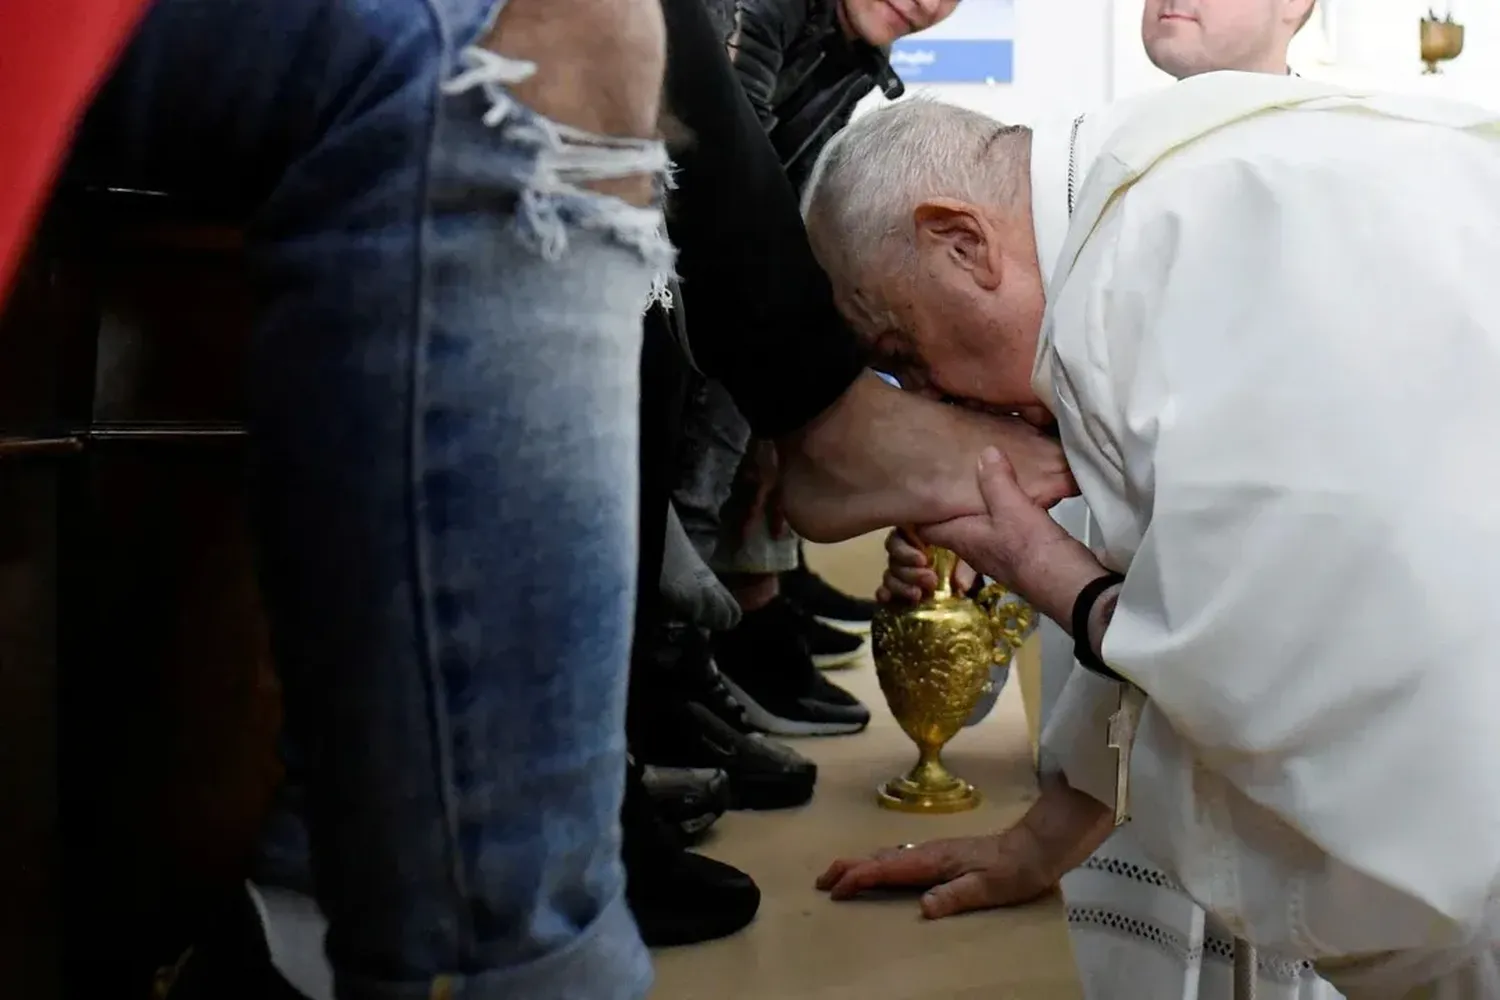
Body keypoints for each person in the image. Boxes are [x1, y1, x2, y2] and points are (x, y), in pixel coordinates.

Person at [803, 75, 1500, 999]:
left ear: (962, 242)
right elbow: (1183, 591)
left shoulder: (1158, 257)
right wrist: (1037, 846)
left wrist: (1041, 567)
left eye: (902, 354)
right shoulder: (1154, 197)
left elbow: (1262, 663)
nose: (930, 399)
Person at [871, 3, 1334, 994]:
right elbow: (1126, 570)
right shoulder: (1090, 198)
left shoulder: (1334, 197)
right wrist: (967, 582)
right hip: (1135, 772)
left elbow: (1229, 603)